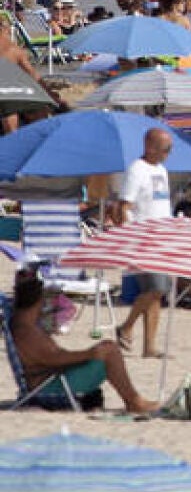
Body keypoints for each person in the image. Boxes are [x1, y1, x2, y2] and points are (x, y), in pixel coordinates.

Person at [9, 271, 156, 413]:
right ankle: (133, 402)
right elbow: (53, 359)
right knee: (109, 350)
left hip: (51, 378)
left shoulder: (23, 325)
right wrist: (90, 353)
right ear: (37, 302)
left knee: (107, 348)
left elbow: (50, 357)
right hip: (49, 386)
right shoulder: (27, 332)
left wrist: (88, 354)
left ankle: (134, 400)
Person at [111, 128, 172, 357]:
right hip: (143, 238)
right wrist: (130, 237)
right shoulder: (137, 170)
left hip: (161, 238)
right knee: (157, 288)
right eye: (166, 148)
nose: (168, 153)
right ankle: (126, 326)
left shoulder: (162, 170)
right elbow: (123, 206)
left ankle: (149, 346)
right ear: (150, 146)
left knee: (156, 294)